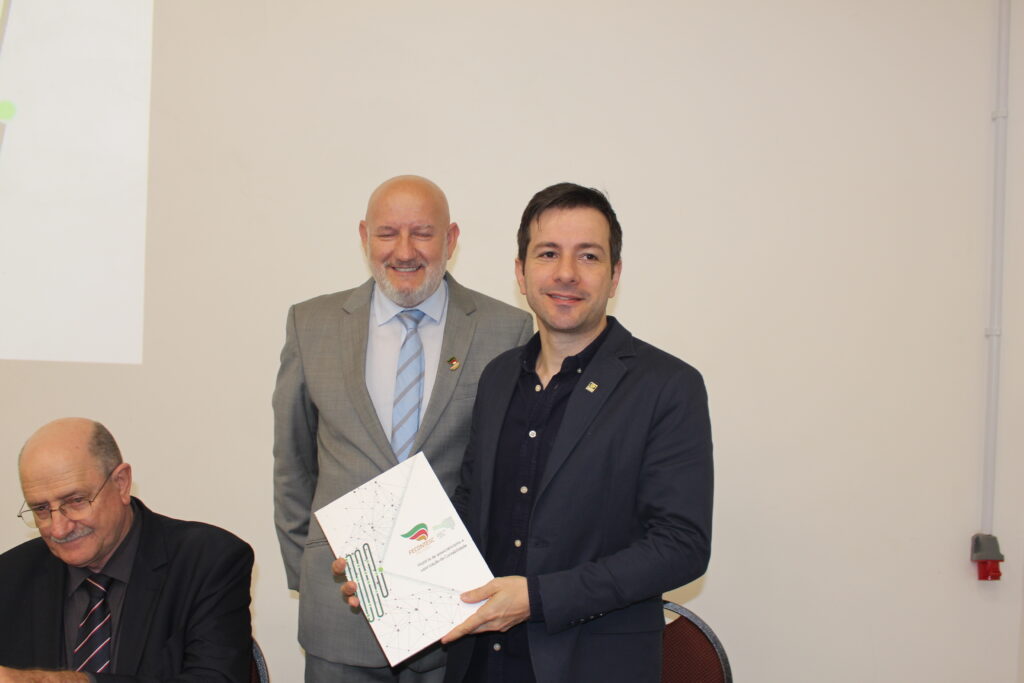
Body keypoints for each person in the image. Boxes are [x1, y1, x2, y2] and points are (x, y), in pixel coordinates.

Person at [338, 182, 713, 682]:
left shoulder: (667, 386)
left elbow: (681, 546)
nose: (566, 273)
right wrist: (395, 573)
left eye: (589, 256)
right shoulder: (497, 377)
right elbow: (470, 507)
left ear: (615, 275)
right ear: (521, 272)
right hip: (479, 664)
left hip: (590, 667)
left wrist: (536, 599)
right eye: (548, 253)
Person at [273, 175, 533, 683]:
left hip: (456, 618)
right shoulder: (311, 324)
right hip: (341, 612)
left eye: (423, 233)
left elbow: (509, 476)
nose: (405, 251)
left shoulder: (507, 330)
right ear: (364, 236)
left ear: (451, 239)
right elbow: (293, 467)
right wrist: (313, 570)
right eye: (388, 233)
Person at [0, 417, 254, 683]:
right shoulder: (9, 576)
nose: (59, 529)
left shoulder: (208, 560)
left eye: (76, 501)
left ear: (121, 483)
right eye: (41, 509)